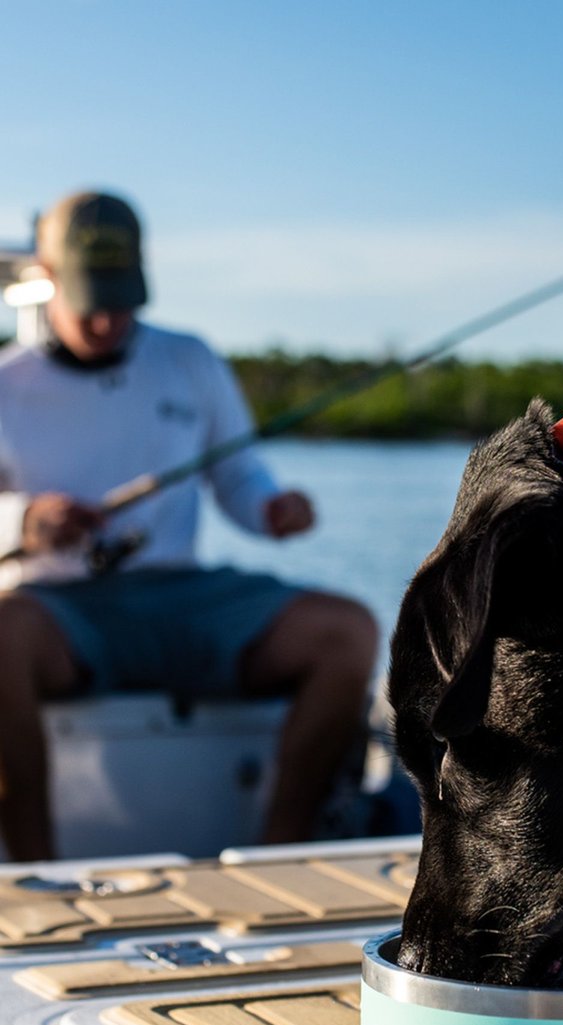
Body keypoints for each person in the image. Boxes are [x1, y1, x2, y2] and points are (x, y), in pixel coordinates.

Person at [0, 190, 379, 861]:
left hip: (185, 595)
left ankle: (281, 851)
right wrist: (30, 521)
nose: (107, 319)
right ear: (46, 279)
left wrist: (271, 509)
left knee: (346, 631)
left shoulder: (189, 359)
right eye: (92, 299)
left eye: (121, 298)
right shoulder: (8, 382)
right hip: (59, 607)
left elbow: (240, 476)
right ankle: (33, 871)